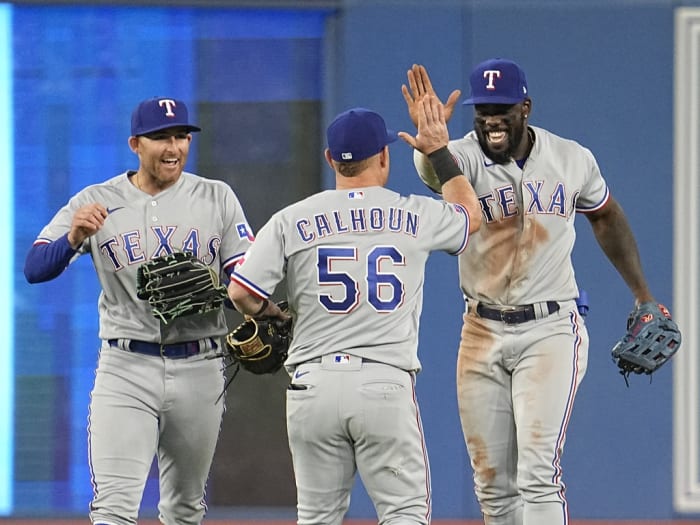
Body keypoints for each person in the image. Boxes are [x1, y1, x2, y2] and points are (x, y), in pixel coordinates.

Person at [402, 59, 663, 525]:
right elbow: (433, 169)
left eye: (502, 108)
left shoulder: (570, 158)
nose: (491, 119)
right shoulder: (458, 157)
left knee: (538, 473)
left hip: (550, 329)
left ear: (525, 107)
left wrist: (642, 294)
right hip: (480, 330)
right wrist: (434, 146)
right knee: (493, 485)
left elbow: (605, 215)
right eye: (483, 109)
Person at [227, 98, 482, 525]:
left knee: (317, 517)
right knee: (404, 514)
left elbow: (240, 292)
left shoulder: (293, 218)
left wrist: (274, 314)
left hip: (313, 387)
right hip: (383, 385)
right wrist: (437, 149)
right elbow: (471, 216)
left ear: (330, 159)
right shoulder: (413, 213)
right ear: (384, 155)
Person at [24, 96, 257, 525]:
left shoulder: (216, 197)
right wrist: (74, 236)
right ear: (135, 143)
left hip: (200, 365)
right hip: (125, 367)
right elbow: (35, 268)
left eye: (182, 136)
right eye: (161, 137)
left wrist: (219, 295)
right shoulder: (96, 200)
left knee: (185, 509)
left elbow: (245, 277)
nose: (174, 147)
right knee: (113, 509)